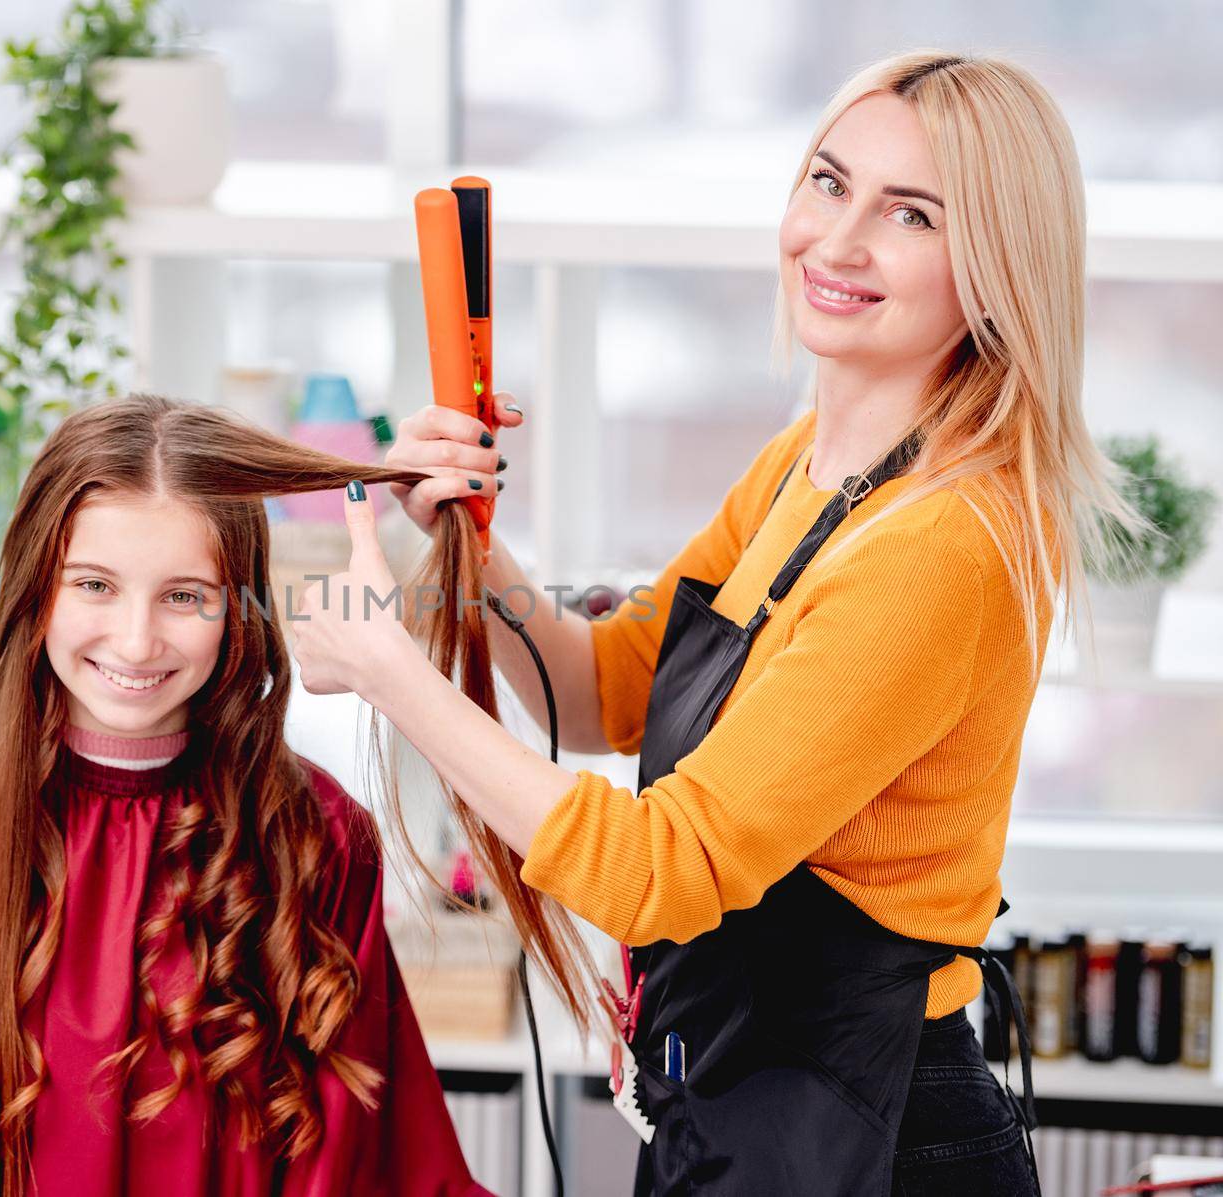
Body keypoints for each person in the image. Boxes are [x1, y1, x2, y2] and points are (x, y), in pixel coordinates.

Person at [290, 50, 1151, 1196]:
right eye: (828, 183)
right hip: (745, 1099)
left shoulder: (941, 549)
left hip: (877, 1136)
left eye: (910, 214)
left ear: (995, 266)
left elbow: (663, 870)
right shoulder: (804, 463)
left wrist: (398, 680)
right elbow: (605, 692)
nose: (835, 243)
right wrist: (464, 542)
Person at [0, 396, 497, 1196]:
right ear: (35, 588)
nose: (134, 640)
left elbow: (366, 1165)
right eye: (94, 584)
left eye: (184, 595)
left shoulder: (318, 837)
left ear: (239, 610)